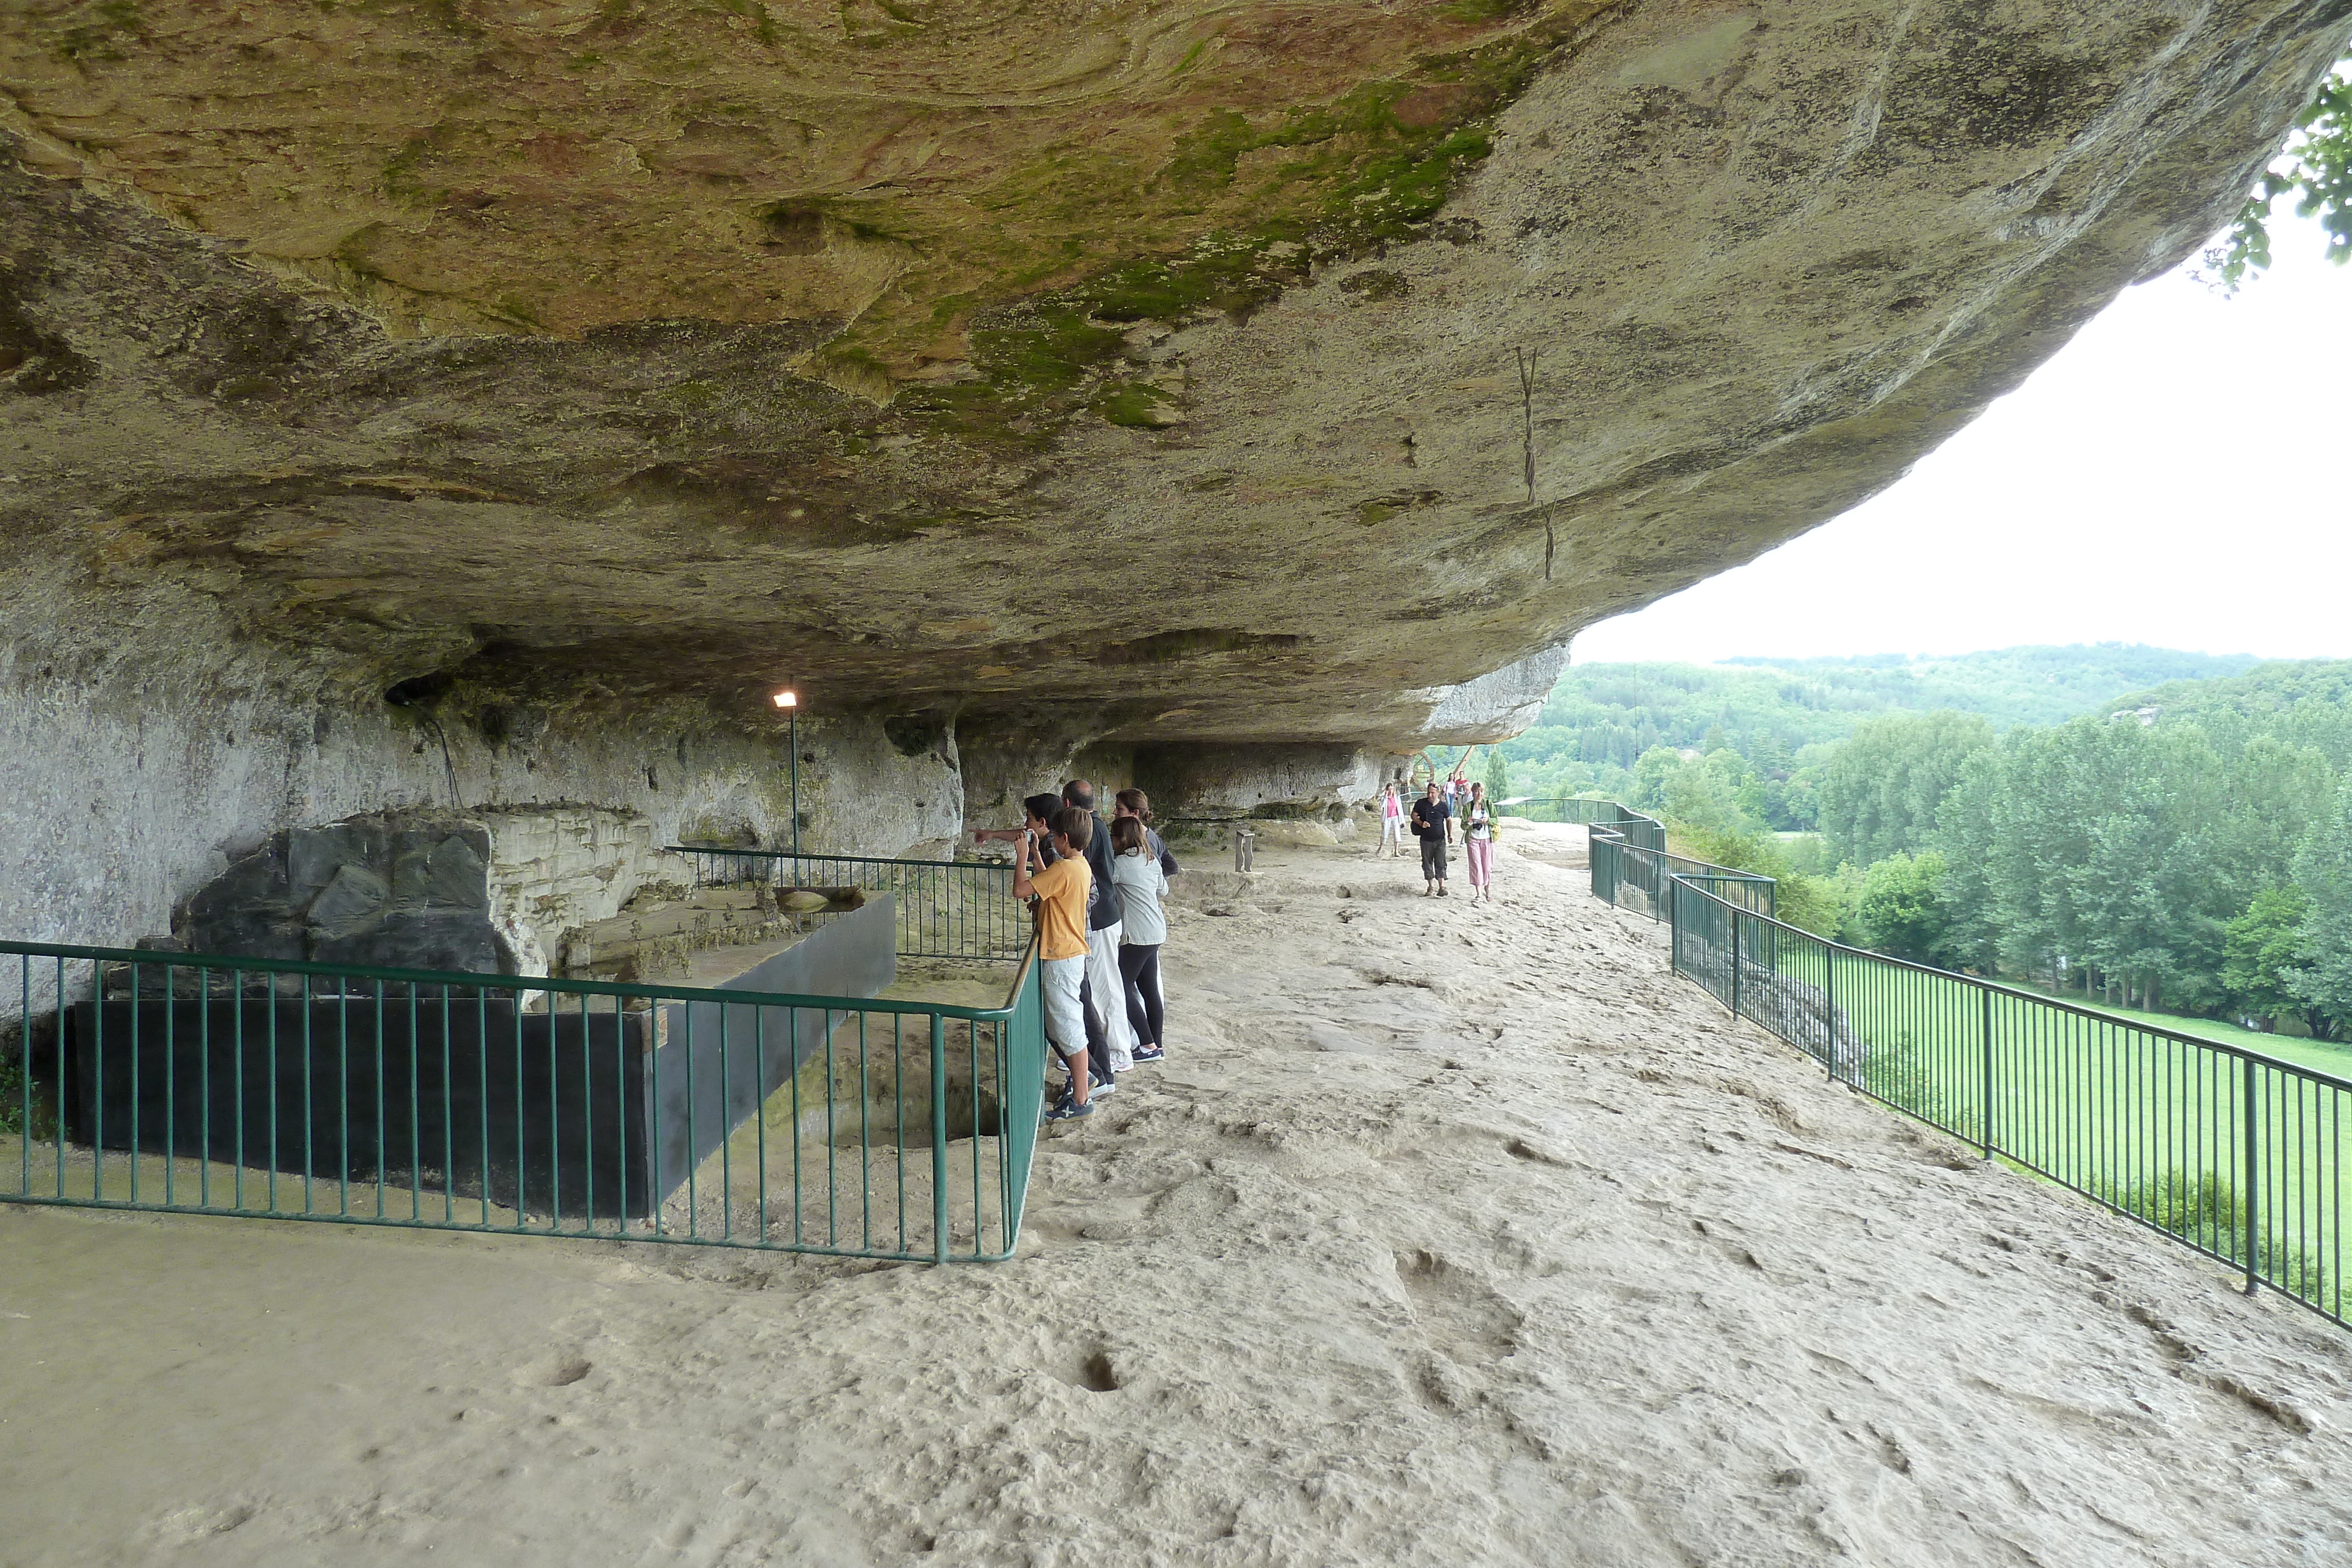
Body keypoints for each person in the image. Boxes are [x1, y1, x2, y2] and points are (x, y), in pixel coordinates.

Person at [1014, 805, 1095, 1121]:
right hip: (1069, 952)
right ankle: (1081, 1083)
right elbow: (1050, 883)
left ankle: (1081, 1098)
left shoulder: (1065, 870)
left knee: (1069, 1027)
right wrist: (1036, 852)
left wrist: (1021, 855)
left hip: (1061, 955)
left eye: (1053, 838)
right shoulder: (1078, 865)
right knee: (1064, 1024)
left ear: (1063, 838)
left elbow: (1021, 890)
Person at [1064, 779, 1135, 1079]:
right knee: (1101, 988)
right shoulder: (1099, 825)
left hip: (1102, 918)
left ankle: (1120, 1053)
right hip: (1104, 915)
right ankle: (1107, 1048)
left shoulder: (1091, 829)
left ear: (1067, 804)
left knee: (1107, 989)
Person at [1108, 815, 1168, 1064]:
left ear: (1121, 839)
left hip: (1136, 935)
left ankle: (1147, 1044)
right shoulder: (1151, 859)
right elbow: (1163, 890)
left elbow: (1102, 883)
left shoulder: (1120, 864)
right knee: (1149, 989)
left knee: (1120, 987)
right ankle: (1157, 1044)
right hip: (1156, 930)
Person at [1410, 780, 1452, 896]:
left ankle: (1441, 886)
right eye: (1429, 793)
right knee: (1427, 862)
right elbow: (1413, 815)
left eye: (1433, 793)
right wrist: (1421, 823)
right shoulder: (1421, 803)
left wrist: (1450, 834)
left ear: (1438, 793)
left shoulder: (1443, 806)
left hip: (1440, 839)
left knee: (1440, 862)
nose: (1430, 795)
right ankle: (1430, 887)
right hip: (1426, 839)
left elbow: (1448, 820)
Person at [1462, 780, 1501, 904]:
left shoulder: (1489, 804)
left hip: (1487, 839)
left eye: (1481, 791)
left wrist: (1488, 820)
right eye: (1477, 791)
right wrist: (1469, 822)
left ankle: (1487, 889)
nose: (1479, 794)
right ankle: (1478, 894)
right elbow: (1463, 826)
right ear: (1472, 792)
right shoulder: (1468, 807)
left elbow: (1496, 820)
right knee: (1476, 866)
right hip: (1473, 839)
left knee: (1487, 866)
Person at [1374, 780, 1407, 858]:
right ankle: (1381, 847)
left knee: (1397, 833)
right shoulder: (1384, 799)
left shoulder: (1397, 798)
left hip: (1395, 817)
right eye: (1389, 789)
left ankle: (1396, 851)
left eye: (1392, 789)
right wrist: (1385, 797)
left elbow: (1400, 809)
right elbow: (1381, 806)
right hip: (1387, 818)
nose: (1391, 791)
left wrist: (1402, 821)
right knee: (1385, 833)